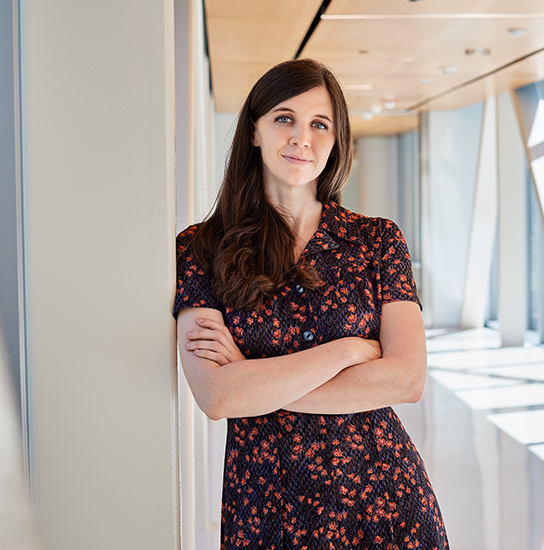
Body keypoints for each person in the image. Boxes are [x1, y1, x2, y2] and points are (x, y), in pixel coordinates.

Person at [172, 59, 449, 549]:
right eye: (284, 118)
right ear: (254, 131)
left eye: (320, 124)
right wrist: (345, 351)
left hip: (381, 498)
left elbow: (406, 380)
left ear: (336, 139)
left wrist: (254, 380)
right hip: (266, 506)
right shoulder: (200, 248)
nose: (302, 138)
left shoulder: (377, 241)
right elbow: (218, 397)